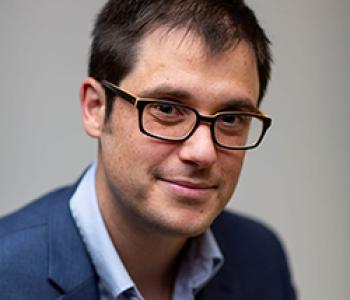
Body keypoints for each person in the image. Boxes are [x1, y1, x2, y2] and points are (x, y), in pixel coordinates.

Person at [0, 0, 296, 299]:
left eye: (231, 119)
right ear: (96, 108)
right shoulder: (7, 275)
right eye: (167, 109)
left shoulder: (261, 259)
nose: (203, 152)